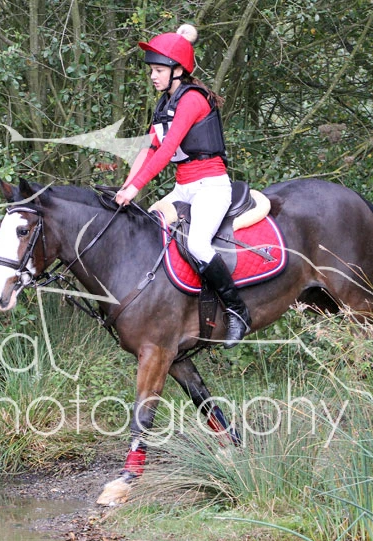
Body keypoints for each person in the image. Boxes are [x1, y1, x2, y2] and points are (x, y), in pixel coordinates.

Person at [114, 24, 251, 348]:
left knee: (199, 245)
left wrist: (136, 188)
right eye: (151, 70)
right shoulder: (164, 104)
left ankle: (237, 311)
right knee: (148, 232)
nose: (153, 76)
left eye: (159, 70)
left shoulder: (191, 100)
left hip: (211, 187)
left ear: (178, 70)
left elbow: (167, 149)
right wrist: (126, 187)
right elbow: (149, 149)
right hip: (184, 188)